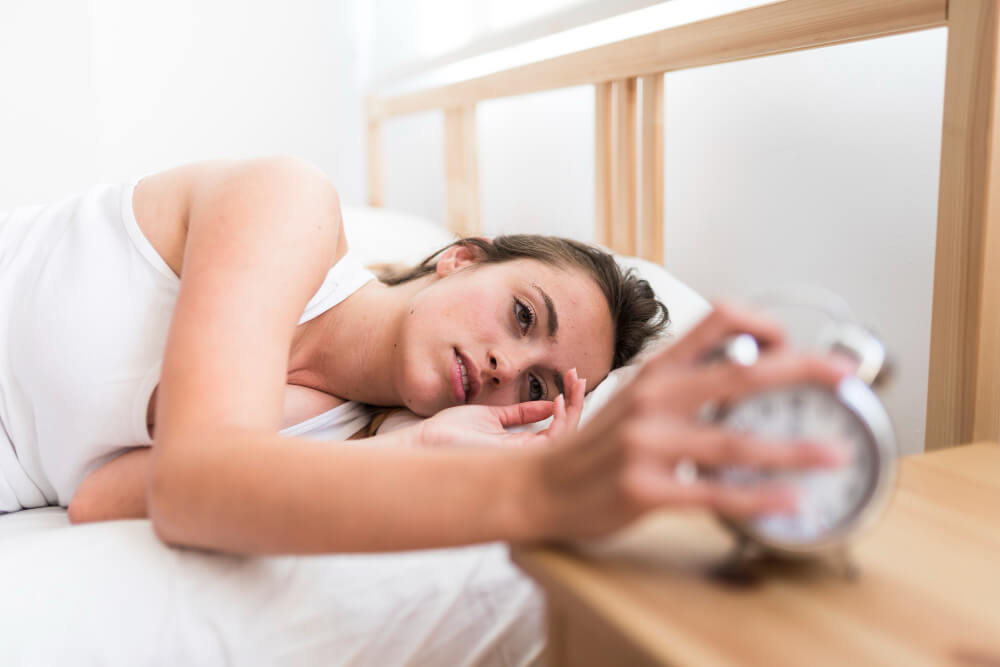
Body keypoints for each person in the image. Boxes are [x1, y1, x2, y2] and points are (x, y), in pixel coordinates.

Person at [0, 157, 847, 554]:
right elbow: (194, 487)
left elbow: (96, 496)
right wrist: (544, 485)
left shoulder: (340, 446)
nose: (505, 364)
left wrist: (408, 449)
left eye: (539, 382)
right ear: (459, 257)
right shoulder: (288, 206)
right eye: (522, 314)